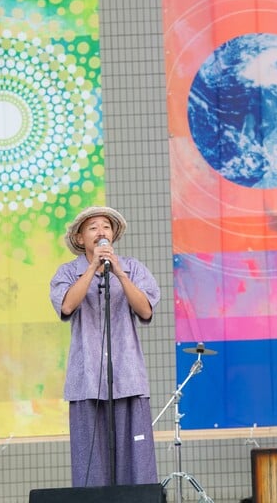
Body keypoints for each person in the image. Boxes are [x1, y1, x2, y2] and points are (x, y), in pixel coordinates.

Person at [49, 206, 160, 486]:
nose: (101, 232)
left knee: (136, 466)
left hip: (128, 379)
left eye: (106, 227)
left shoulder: (133, 268)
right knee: (91, 469)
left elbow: (145, 310)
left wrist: (119, 273)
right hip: (86, 382)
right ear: (80, 238)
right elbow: (67, 306)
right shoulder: (67, 273)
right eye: (93, 227)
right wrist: (92, 269)